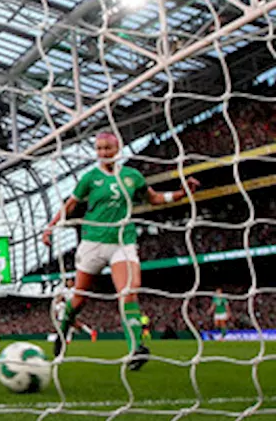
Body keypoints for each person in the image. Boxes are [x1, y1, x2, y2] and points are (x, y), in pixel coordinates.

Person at [42, 131, 199, 369]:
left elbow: (152, 198)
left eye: (108, 148)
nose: (103, 153)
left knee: (128, 291)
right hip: (93, 242)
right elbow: (71, 205)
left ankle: (136, 349)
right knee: (80, 299)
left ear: (118, 149)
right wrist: (50, 228)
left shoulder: (132, 176)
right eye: (99, 149)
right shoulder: (89, 178)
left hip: (122, 242)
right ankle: (64, 329)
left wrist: (180, 193)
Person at [52, 278, 97, 343]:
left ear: (73, 282)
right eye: (68, 281)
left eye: (70, 281)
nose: (69, 283)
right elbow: (61, 297)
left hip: (74, 305)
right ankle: (90, 332)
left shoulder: (75, 289)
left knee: (70, 322)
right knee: (71, 322)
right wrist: (56, 301)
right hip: (68, 306)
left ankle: (68, 339)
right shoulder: (65, 290)